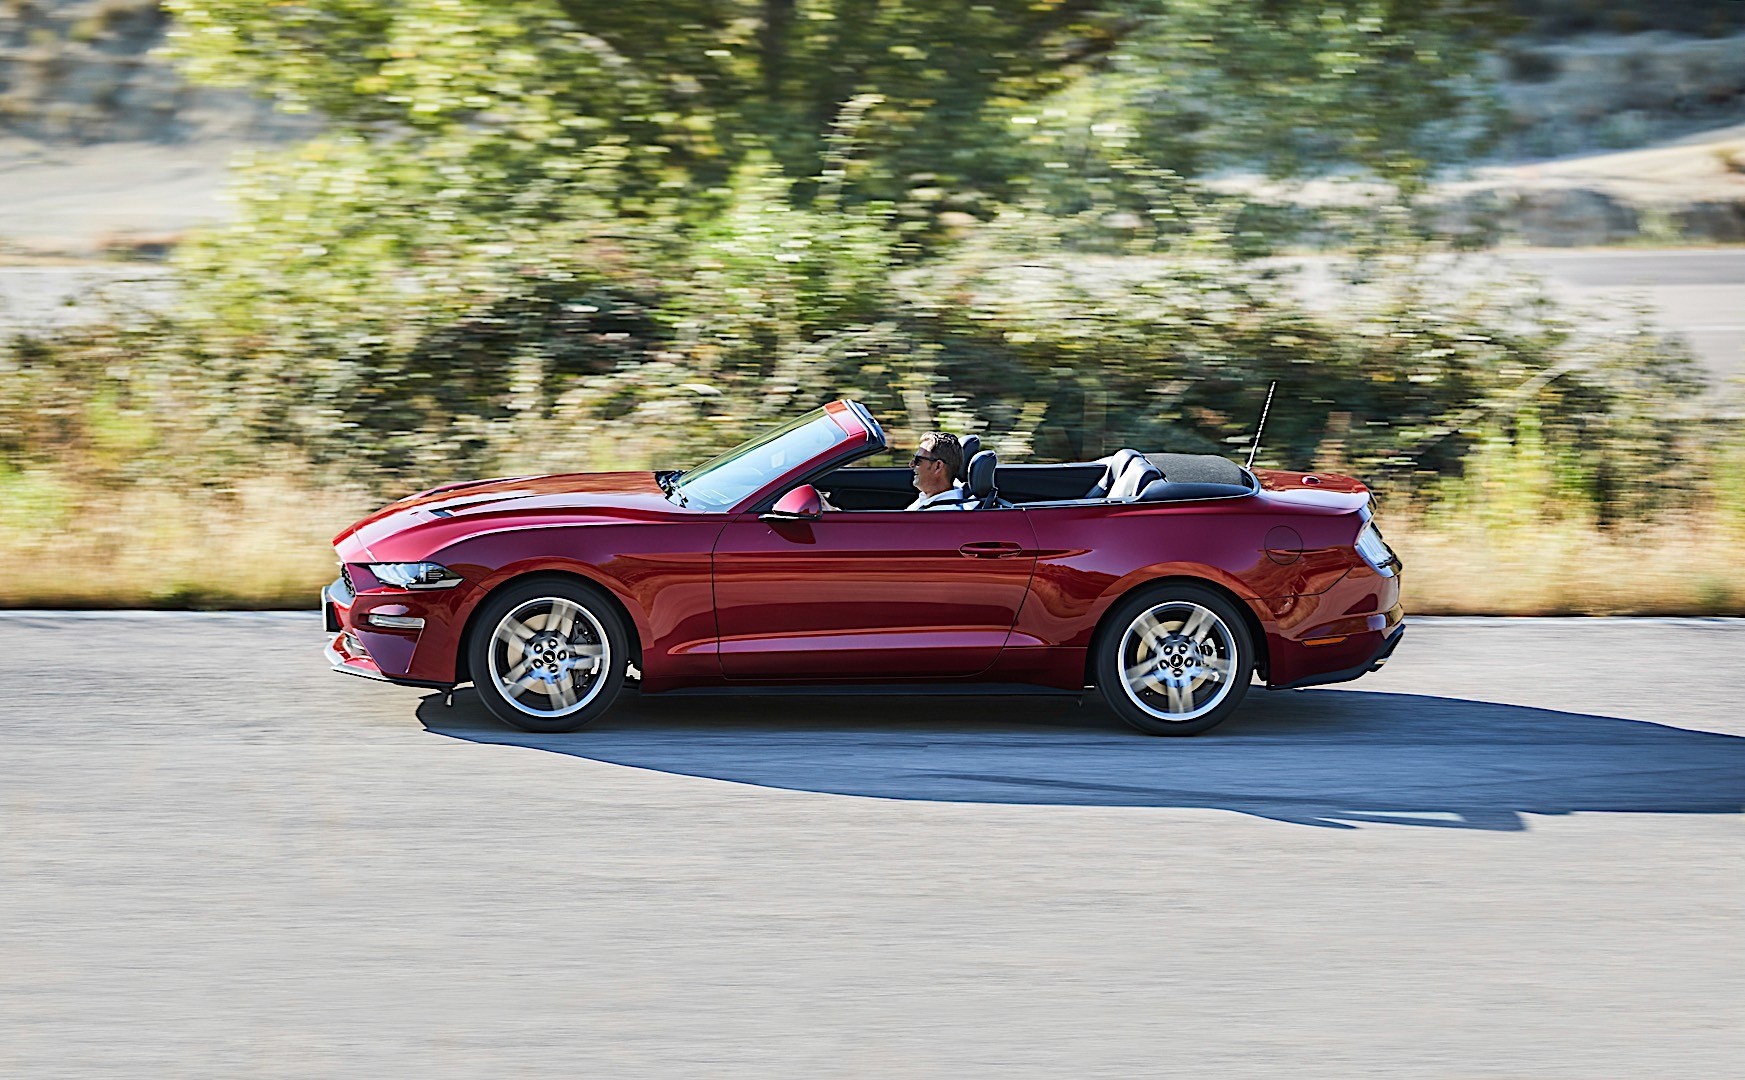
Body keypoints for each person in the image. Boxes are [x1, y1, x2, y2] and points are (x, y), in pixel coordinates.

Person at [906, 432, 969, 510]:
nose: (911, 464)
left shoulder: (943, 513)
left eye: (918, 460)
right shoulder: (929, 499)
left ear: (938, 466)